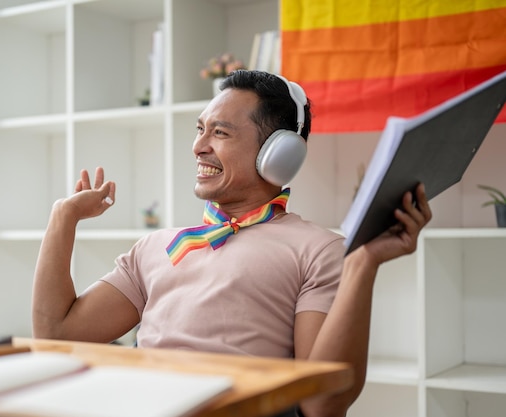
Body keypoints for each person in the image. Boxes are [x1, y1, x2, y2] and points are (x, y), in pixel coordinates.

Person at [32, 70, 432, 417]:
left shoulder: (319, 250)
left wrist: (363, 263)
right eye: (200, 129)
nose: (199, 145)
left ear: (279, 153)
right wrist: (62, 218)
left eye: (220, 132)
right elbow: (57, 334)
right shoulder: (158, 246)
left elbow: (323, 405)